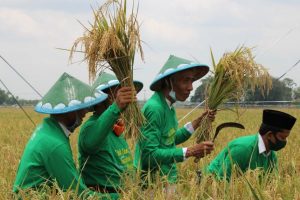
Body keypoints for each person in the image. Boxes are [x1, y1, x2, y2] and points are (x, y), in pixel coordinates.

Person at [13, 73, 116, 199]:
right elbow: (78, 194)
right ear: (68, 110)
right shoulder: (54, 144)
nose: (85, 112)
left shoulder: (47, 130)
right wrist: (119, 197)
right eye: (81, 108)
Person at [134, 55, 215, 188]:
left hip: (167, 179)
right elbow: (149, 155)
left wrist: (199, 121)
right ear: (169, 82)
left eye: (192, 81)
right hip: (154, 185)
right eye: (185, 81)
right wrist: (190, 151)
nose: (190, 87)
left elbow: (168, 140)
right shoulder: (155, 108)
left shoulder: (168, 106)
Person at [78, 72, 143, 194]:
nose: (122, 96)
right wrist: (116, 107)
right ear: (101, 98)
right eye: (117, 92)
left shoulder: (116, 126)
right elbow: (90, 143)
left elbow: (123, 161)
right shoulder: (90, 127)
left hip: (126, 193)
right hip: (103, 194)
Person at [207, 109, 296, 181]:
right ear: (269, 135)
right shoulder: (243, 149)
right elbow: (222, 181)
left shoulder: (272, 155)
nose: (285, 141)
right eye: (283, 137)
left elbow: (273, 184)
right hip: (209, 185)